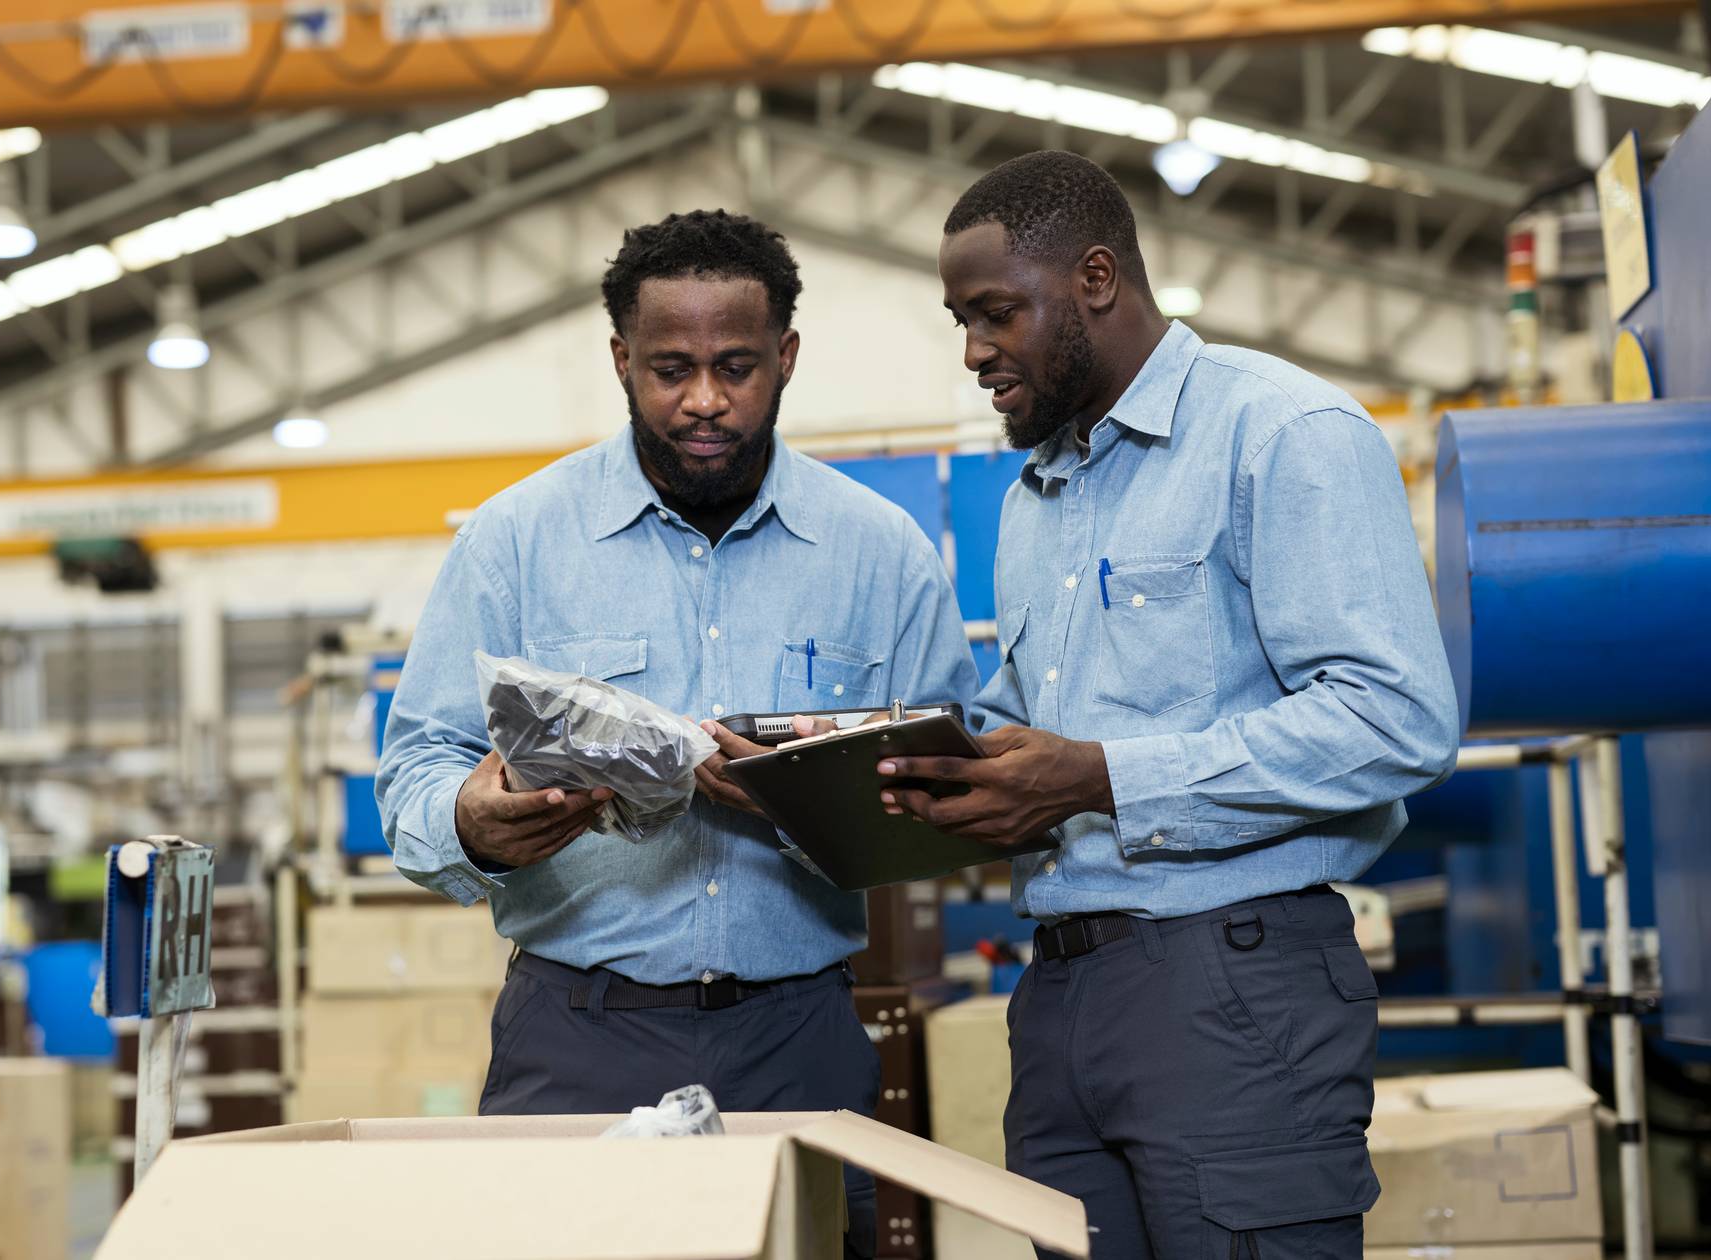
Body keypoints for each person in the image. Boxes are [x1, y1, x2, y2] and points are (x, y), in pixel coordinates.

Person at [875, 151, 1461, 1258]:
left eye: (994, 314)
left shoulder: (1282, 435)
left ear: (1095, 277)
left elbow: (1394, 718)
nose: (973, 354)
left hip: (1230, 986)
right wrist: (904, 761)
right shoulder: (1037, 494)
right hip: (1057, 997)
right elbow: (1033, 717)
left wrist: (1097, 777)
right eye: (959, 321)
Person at [377, 209, 983, 1257]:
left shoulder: (877, 555)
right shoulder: (515, 542)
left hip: (795, 1038)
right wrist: (472, 823)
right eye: (668, 369)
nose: (703, 399)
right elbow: (415, 771)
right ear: (619, 359)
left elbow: (952, 788)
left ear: (785, 356)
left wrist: (812, 805)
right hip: (577, 1034)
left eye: (735, 366)